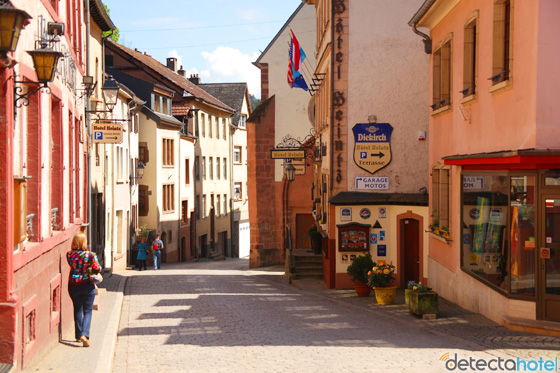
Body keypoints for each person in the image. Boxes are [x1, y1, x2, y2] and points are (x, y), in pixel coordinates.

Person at [66, 232, 100, 347]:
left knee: (77, 309)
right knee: (88, 310)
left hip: (73, 284)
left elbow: (72, 265)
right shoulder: (90, 255)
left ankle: (78, 335)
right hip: (87, 284)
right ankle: (84, 335)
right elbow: (97, 268)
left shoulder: (69, 254)